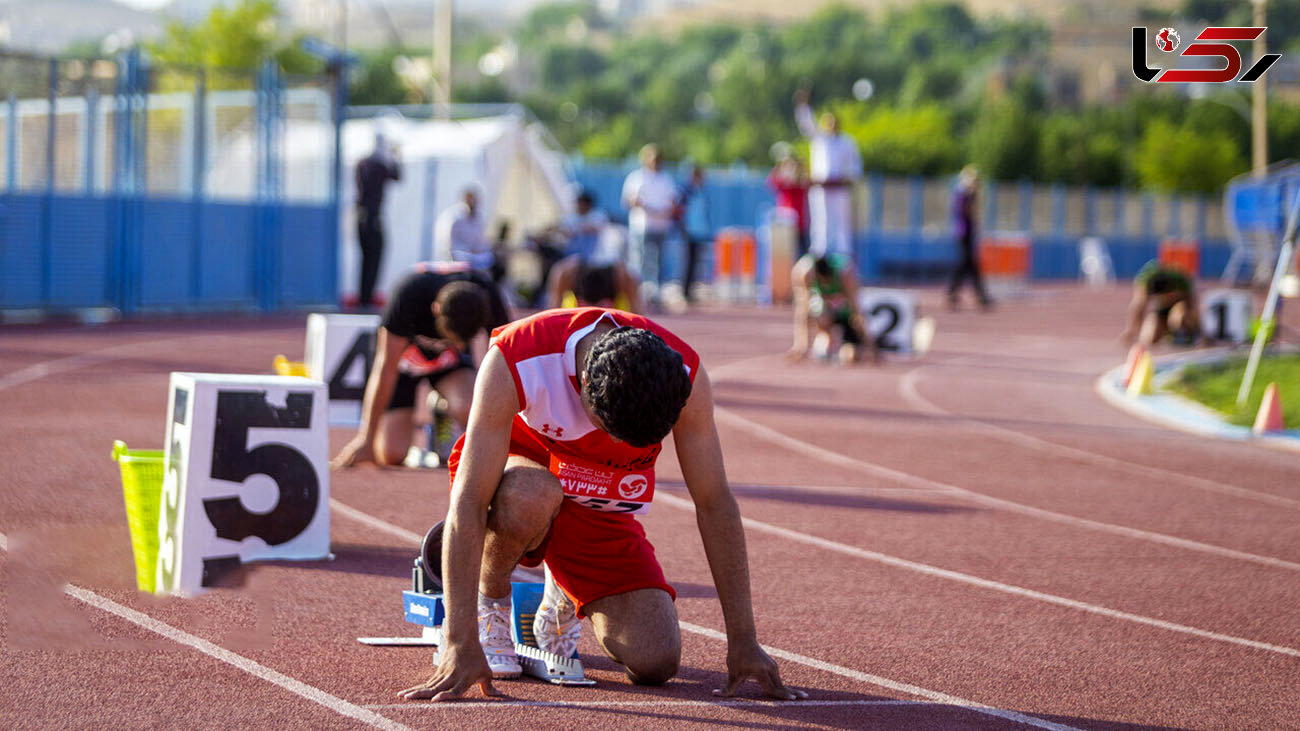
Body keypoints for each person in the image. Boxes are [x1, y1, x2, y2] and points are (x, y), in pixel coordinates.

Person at [398, 307, 806, 702]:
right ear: (583, 389)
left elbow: (715, 502)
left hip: (597, 501)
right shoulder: (518, 356)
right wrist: (459, 638)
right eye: (612, 431)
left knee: (655, 659)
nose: (616, 446)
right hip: (521, 475)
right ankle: (491, 601)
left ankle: (560, 591)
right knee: (532, 494)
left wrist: (743, 640)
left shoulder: (683, 376)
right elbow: (469, 500)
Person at [331, 261, 511, 469]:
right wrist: (366, 438)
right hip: (403, 364)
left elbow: (507, 364)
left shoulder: (489, 296)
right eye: (453, 338)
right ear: (435, 310)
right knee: (391, 454)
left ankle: (443, 409)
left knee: (472, 409)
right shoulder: (408, 295)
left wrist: (511, 434)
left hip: (448, 364)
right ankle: (394, 438)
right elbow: (385, 367)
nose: (460, 345)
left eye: (464, 342)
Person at [794, 87, 861, 259]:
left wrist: (844, 180)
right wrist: (803, 105)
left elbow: (855, 168)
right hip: (820, 189)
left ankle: (843, 255)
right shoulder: (819, 140)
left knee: (841, 223)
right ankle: (820, 255)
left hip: (839, 190)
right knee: (819, 222)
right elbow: (807, 123)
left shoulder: (847, 142)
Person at [621, 144, 682, 306]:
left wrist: (664, 210)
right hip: (642, 226)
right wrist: (641, 205)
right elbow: (629, 200)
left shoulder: (666, 179)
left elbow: (673, 201)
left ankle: (655, 293)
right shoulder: (636, 178)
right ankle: (639, 293)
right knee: (641, 260)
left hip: (661, 226)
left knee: (659, 261)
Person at [788, 254, 874, 364]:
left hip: (845, 316)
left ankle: (843, 347)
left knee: (850, 356)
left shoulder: (845, 275)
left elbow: (856, 310)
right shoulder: (805, 273)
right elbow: (802, 311)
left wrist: (870, 344)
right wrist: (800, 346)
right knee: (819, 314)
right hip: (824, 314)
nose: (825, 286)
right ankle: (825, 339)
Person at [355, 133, 402, 309]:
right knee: (373, 258)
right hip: (372, 218)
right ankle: (365, 298)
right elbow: (396, 175)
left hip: (364, 217)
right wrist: (394, 157)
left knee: (368, 259)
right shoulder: (377, 165)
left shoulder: (363, 164)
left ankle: (365, 297)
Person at [1121, 260, 1201, 346]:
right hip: (1161, 312)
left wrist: (1197, 329)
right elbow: (1138, 306)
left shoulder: (1180, 281)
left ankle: (1181, 334)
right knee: (1149, 338)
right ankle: (1166, 333)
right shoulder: (1145, 281)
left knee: (1179, 316)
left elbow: (1193, 307)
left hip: (1178, 308)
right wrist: (1131, 330)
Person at [947, 166, 992, 311]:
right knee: (967, 263)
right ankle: (978, 294)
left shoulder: (962, 192)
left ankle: (977, 294)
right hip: (964, 231)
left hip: (966, 231)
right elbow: (968, 211)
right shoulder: (965, 193)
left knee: (969, 263)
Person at [673, 165, 710, 302]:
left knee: (696, 263)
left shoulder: (702, 192)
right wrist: (682, 227)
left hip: (700, 231)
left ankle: (691, 290)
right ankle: (684, 290)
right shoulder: (685, 192)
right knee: (686, 262)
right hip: (688, 232)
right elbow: (678, 211)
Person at [437, 186, 493, 272]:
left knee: (489, 258)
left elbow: (480, 241)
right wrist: (467, 250)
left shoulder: (479, 218)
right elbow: (449, 243)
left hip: (475, 256)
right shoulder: (454, 217)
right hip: (458, 254)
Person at [768, 152, 810, 257]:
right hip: (786, 224)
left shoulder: (801, 182)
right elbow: (772, 181)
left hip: (800, 224)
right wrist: (780, 166)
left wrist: (799, 169)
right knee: (786, 255)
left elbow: (805, 181)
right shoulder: (784, 181)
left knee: (802, 253)